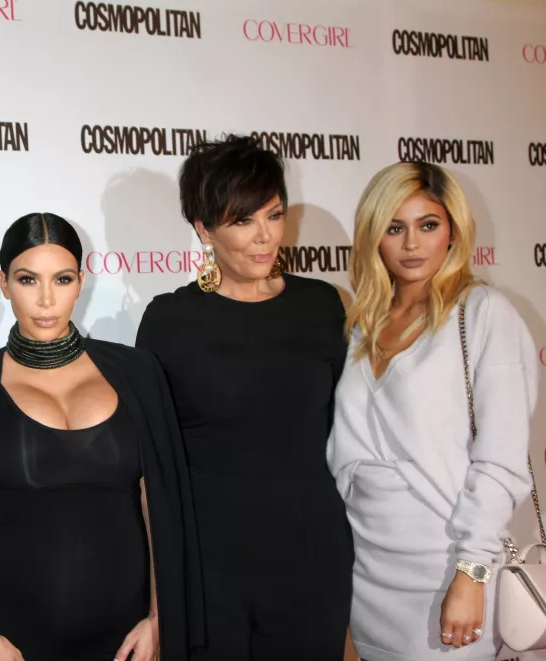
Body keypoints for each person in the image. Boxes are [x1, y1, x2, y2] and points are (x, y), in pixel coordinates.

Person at [0, 212, 204, 661]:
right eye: (27, 279)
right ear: (3, 283)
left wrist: (160, 618)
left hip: (126, 640)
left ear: (81, 281)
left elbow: (159, 502)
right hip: (13, 641)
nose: (46, 299)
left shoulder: (137, 372)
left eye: (62, 279)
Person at [136, 135, 354, 660]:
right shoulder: (169, 321)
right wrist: (158, 595)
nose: (265, 236)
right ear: (203, 229)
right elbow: (151, 468)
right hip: (208, 566)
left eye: (274, 215)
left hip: (311, 557)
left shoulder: (322, 305)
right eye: (242, 220)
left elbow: (350, 432)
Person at [327, 162, 539, 660]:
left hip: (447, 570)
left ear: (453, 230)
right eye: (394, 228)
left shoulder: (483, 314)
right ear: (373, 237)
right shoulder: (360, 325)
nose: (411, 244)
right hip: (367, 576)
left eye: (428, 225)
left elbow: (501, 461)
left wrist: (472, 571)